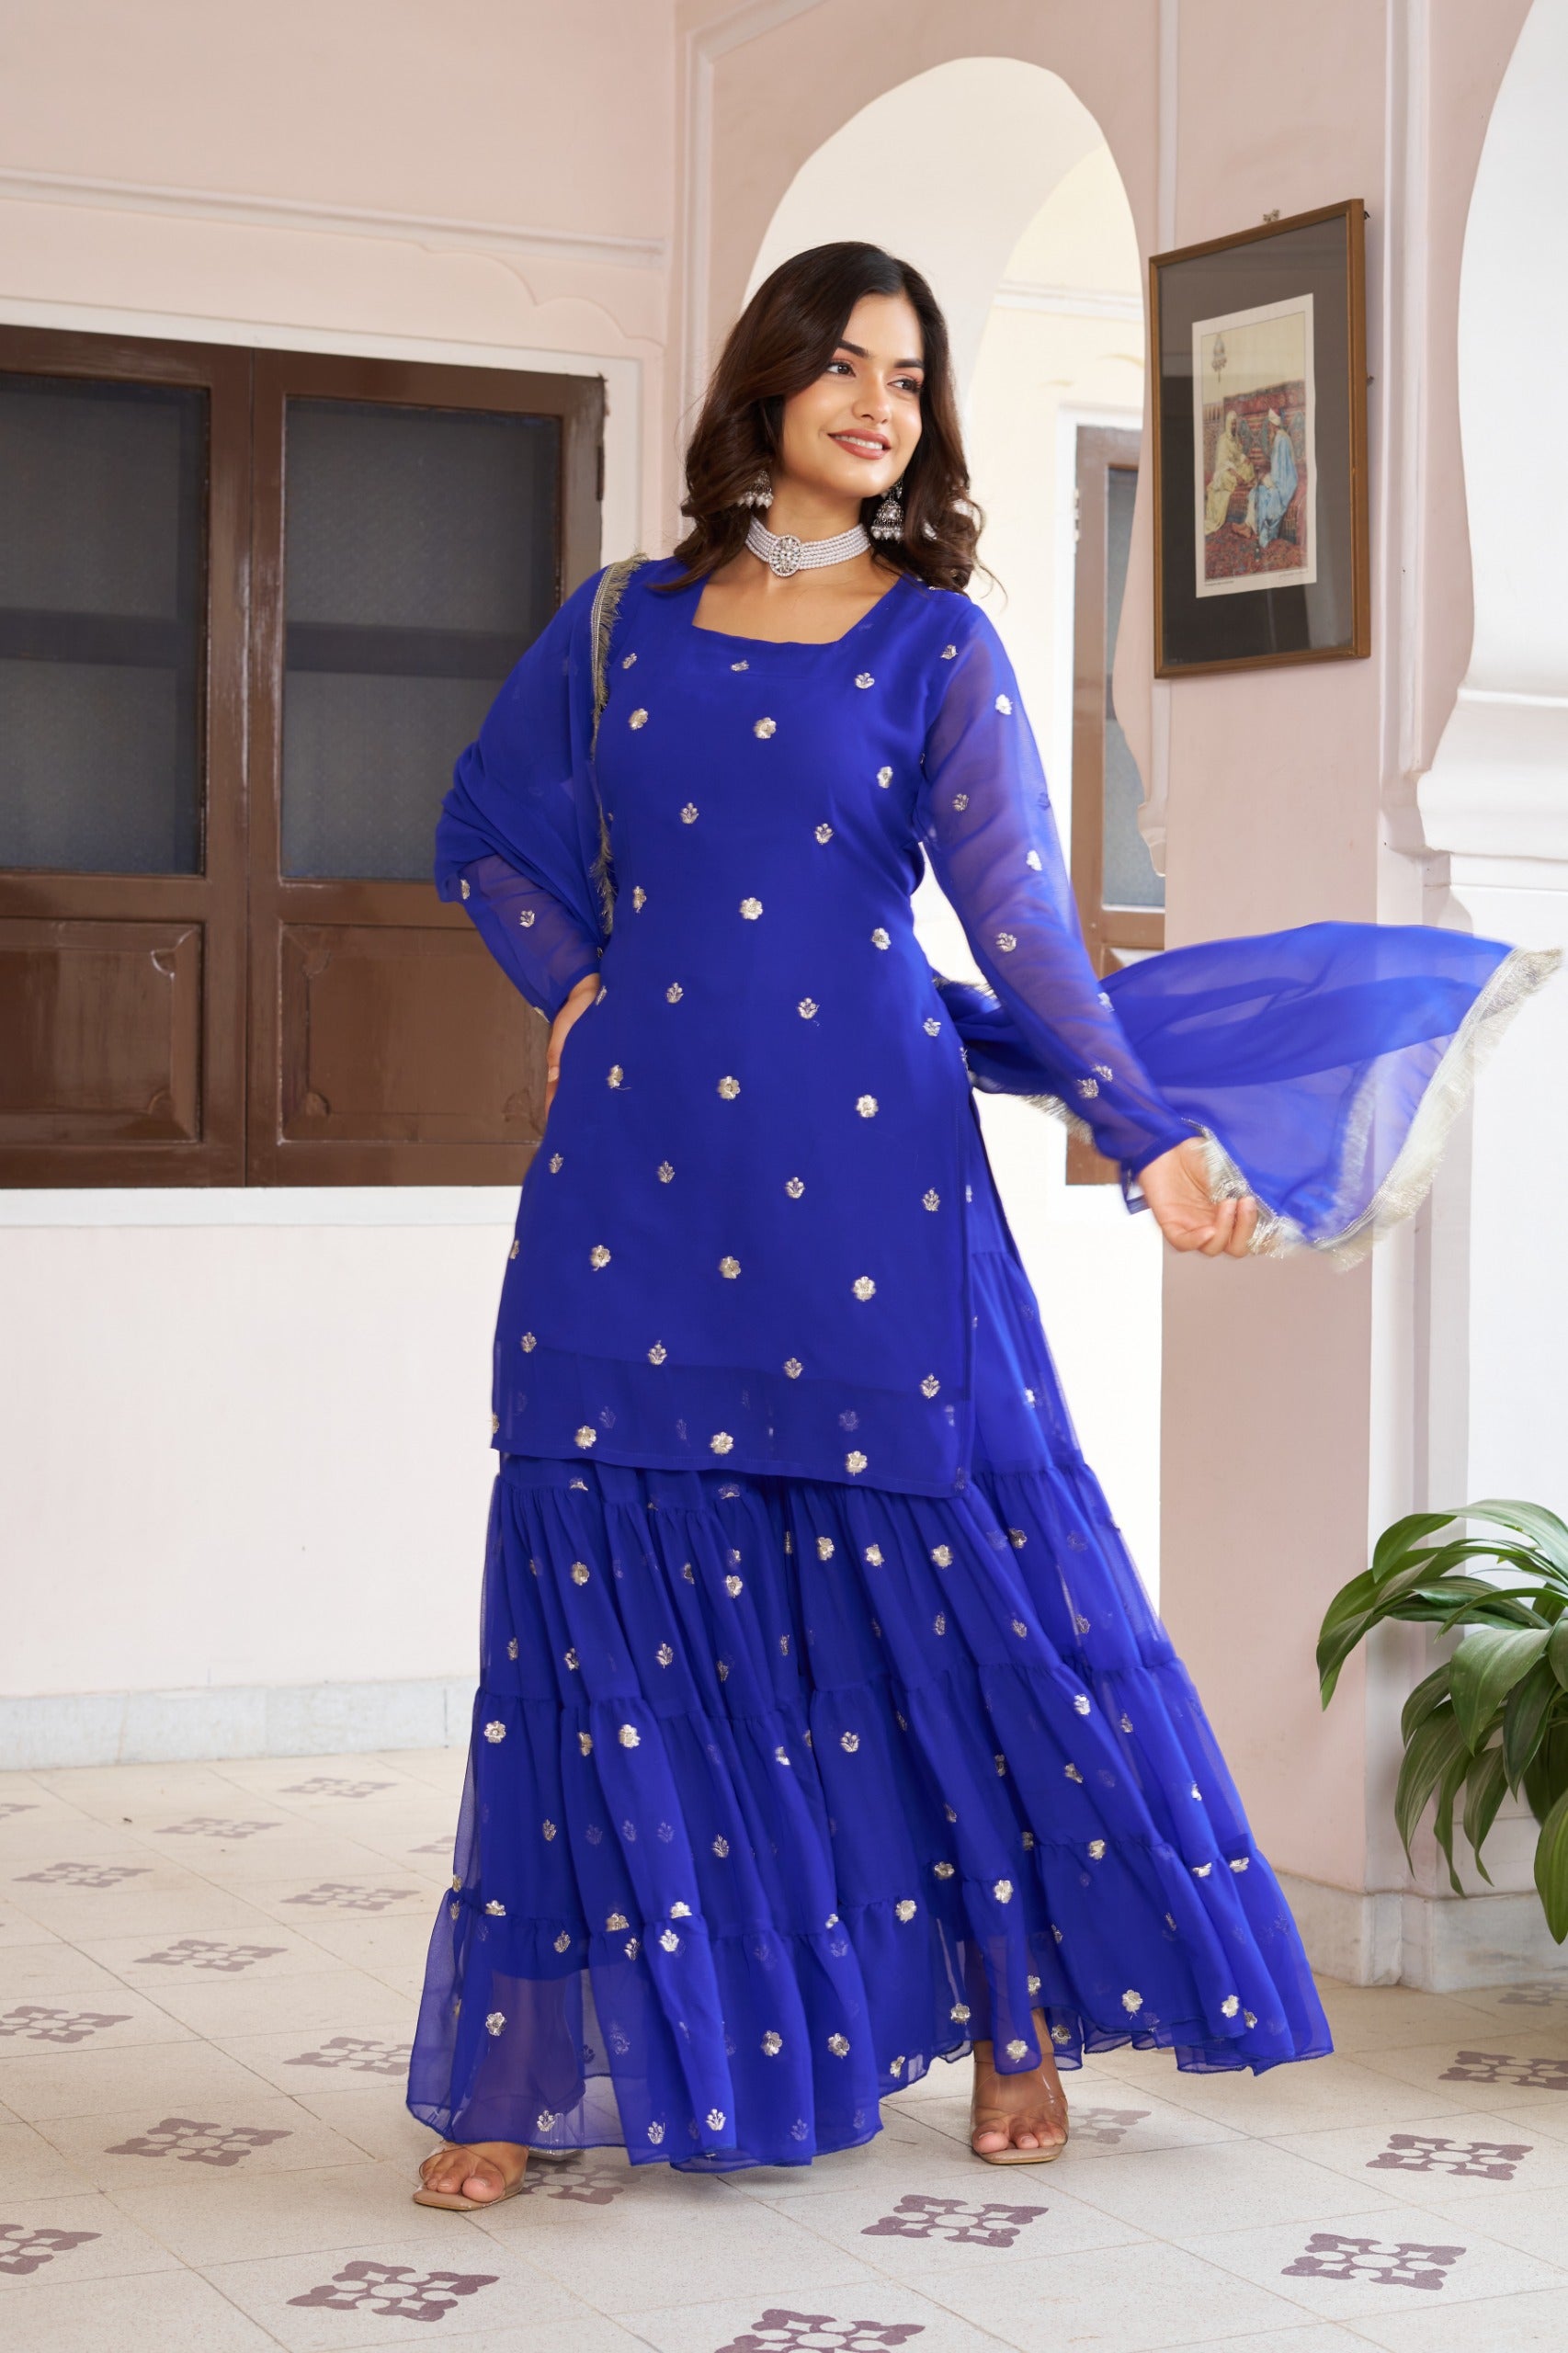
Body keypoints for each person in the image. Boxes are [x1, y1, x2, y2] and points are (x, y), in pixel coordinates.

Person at [406, 244, 1556, 2209]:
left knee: (942, 1605)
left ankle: (1013, 2011)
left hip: (868, 1174)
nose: (882, 405)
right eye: (847, 367)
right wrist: (575, 982)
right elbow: (483, 833)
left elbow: (1016, 917)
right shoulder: (616, 628)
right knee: (596, 1615)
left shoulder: (933, 644)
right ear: (765, 383)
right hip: (636, 1177)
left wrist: (1143, 1133)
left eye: (912, 379)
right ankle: (527, 2067)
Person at [1245, 407, 1300, 550]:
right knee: (1257, 490)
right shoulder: (1282, 437)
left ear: (1272, 425)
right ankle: (1248, 526)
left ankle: (1259, 531)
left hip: (1284, 486)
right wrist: (1265, 479)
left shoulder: (1279, 440)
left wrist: (1264, 480)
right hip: (1285, 481)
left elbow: (1278, 476)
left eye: (1269, 424)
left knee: (1260, 493)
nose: (1268, 428)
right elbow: (1279, 469)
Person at [1202, 406, 1253, 534]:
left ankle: (1240, 481)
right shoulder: (1223, 440)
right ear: (1228, 424)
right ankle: (1239, 481)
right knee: (1226, 477)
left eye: (1235, 424)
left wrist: (1244, 458)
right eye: (1232, 424)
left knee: (1249, 466)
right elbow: (1223, 463)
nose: (1234, 426)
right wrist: (1236, 475)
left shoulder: (1236, 439)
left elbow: (1238, 455)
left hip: (1236, 467)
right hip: (1225, 472)